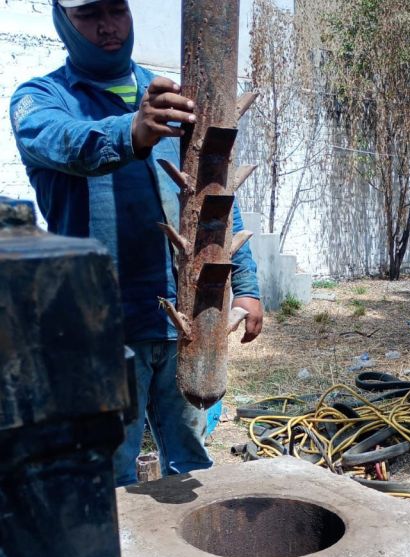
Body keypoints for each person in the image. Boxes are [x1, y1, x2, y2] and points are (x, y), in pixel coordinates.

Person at [10, 0, 263, 485]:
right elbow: (65, 141)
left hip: (180, 321)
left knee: (191, 465)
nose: (108, 26)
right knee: (110, 470)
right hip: (101, 329)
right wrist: (131, 130)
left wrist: (247, 285)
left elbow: (216, 192)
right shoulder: (41, 99)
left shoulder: (176, 100)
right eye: (89, 15)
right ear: (64, 21)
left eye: (117, 10)